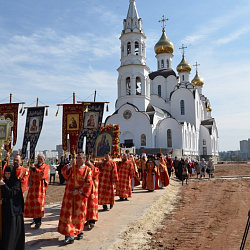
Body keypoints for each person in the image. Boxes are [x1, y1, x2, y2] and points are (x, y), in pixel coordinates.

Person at [57, 154, 93, 244]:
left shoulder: (88, 170)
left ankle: (79, 231)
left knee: (78, 216)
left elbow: (89, 183)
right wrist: (69, 164)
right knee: (68, 215)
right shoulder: (72, 167)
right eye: (77, 158)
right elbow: (64, 174)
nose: (78, 160)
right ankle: (69, 235)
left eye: (80, 158)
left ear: (84, 160)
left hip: (80, 197)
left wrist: (79, 191)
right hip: (69, 196)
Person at [0, 165, 25, 250]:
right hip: (5, 209)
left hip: (14, 210)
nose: (7, 175)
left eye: (9, 173)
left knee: (12, 231)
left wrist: (3, 185)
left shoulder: (16, 182)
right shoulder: (3, 181)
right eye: (6, 173)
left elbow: (11, 193)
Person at [23, 153, 49, 229]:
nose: (39, 160)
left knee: (39, 204)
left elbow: (42, 174)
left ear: (44, 159)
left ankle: (38, 221)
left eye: (41, 159)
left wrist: (35, 169)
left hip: (40, 188)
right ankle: (34, 219)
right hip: (33, 188)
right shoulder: (35, 165)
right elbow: (30, 175)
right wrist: (29, 181)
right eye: (38, 159)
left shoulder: (46, 166)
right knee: (32, 203)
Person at [85, 159, 99, 229]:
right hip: (85, 189)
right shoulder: (84, 168)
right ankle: (87, 220)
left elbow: (96, 173)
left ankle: (92, 220)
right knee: (86, 205)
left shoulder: (94, 169)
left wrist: (91, 166)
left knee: (92, 205)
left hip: (93, 189)